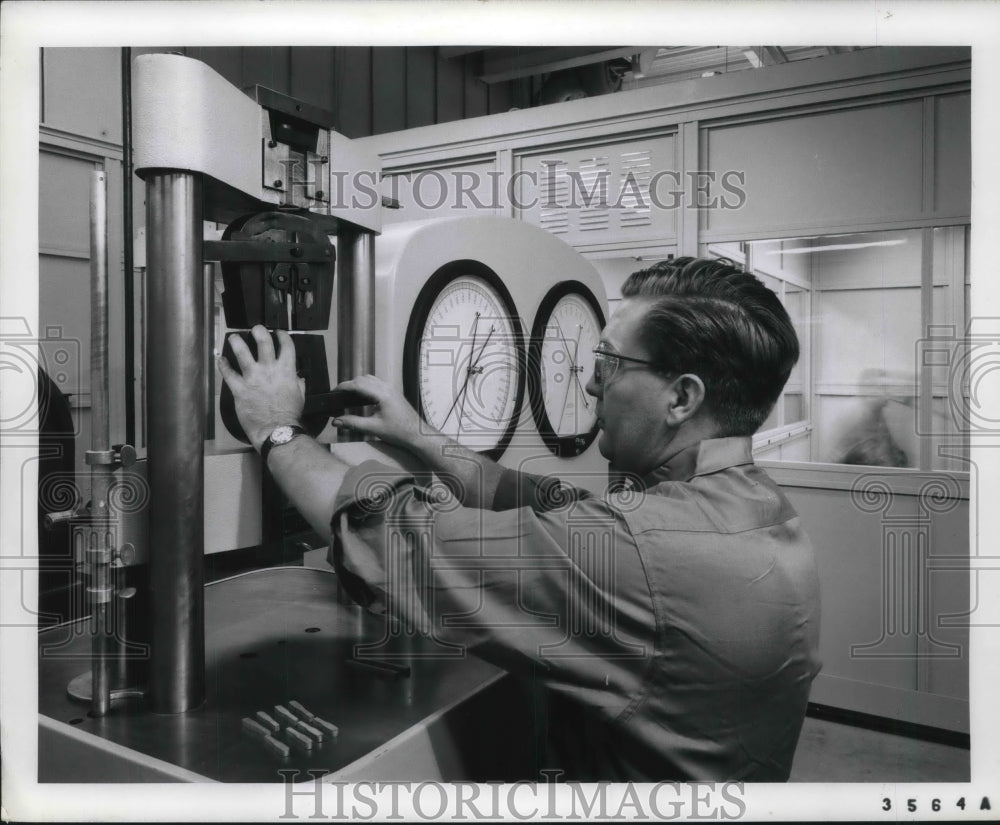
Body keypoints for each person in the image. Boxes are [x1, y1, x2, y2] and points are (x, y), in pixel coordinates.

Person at [219, 256, 822, 782]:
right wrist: (421, 437)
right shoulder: (753, 507)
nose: (588, 383)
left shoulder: (649, 552)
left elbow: (399, 536)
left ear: (682, 398)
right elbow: (553, 505)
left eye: (610, 363)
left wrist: (277, 426)